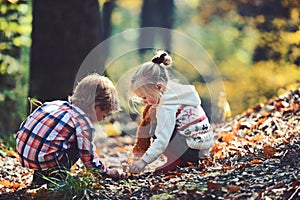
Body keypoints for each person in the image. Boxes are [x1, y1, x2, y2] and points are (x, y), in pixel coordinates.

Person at [16, 73, 121, 185]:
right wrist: (107, 172)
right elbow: (89, 160)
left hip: (23, 153)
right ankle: (56, 177)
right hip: (44, 160)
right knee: (77, 144)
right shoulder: (83, 123)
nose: (101, 120)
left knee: (52, 140)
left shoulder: (55, 104)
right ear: (94, 107)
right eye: (104, 115)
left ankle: (40, 176)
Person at [128, 50, 214, 173]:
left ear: (159, 87)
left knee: (156, 125)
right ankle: (177, 158)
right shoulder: (179, 93)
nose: (144, 102)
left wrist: (142, 162)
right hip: (203, 150)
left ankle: (176, 160)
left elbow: (162, 140)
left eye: (145, 97)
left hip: (191, 152)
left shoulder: (166, 106)